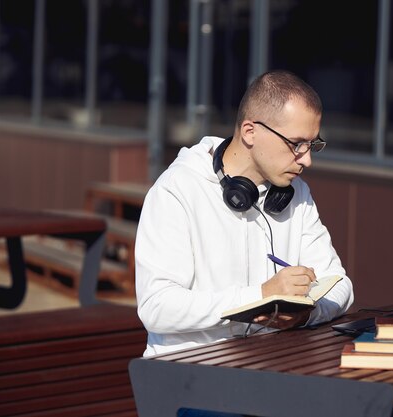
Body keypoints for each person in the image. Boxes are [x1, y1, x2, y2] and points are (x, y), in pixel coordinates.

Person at [135, 69, 354, 358]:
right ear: (250, 132)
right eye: (296, 144)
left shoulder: (296, 193)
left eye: (312, 145)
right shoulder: (177, 190)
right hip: (188, 375)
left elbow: (341, 285)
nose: (307, 159)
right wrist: (261, 297)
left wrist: (307, 314)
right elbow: (156, 306)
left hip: (268, 366)